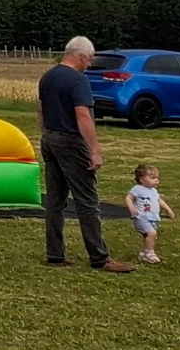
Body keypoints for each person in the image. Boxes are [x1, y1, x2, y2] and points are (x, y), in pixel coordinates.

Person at [38, 36, 133, 272]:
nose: (89, 64)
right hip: (71, 141)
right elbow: (83, 117)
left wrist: (47, 134)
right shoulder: (78, 80)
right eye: (89, 59)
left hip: (49, 138)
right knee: (87, 201)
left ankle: (55, 254)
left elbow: (40, 109)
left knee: (55, 200)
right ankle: (100, 258)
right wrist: (94, 150)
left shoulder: (48, 76)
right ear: (80, 55)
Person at [126, 162, 173, 266]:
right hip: (141, 217)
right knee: (151, 233)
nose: (156, 180)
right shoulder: (138, 189)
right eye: (152, 177)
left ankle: (143, 253)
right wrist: (131, 207)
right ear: (142, 180)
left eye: (157, 177)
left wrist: (168, 210)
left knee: (149, 236)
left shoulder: (153, 191)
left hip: (152, 218)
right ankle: (149, 254)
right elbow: (129, 198)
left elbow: (159, 200)